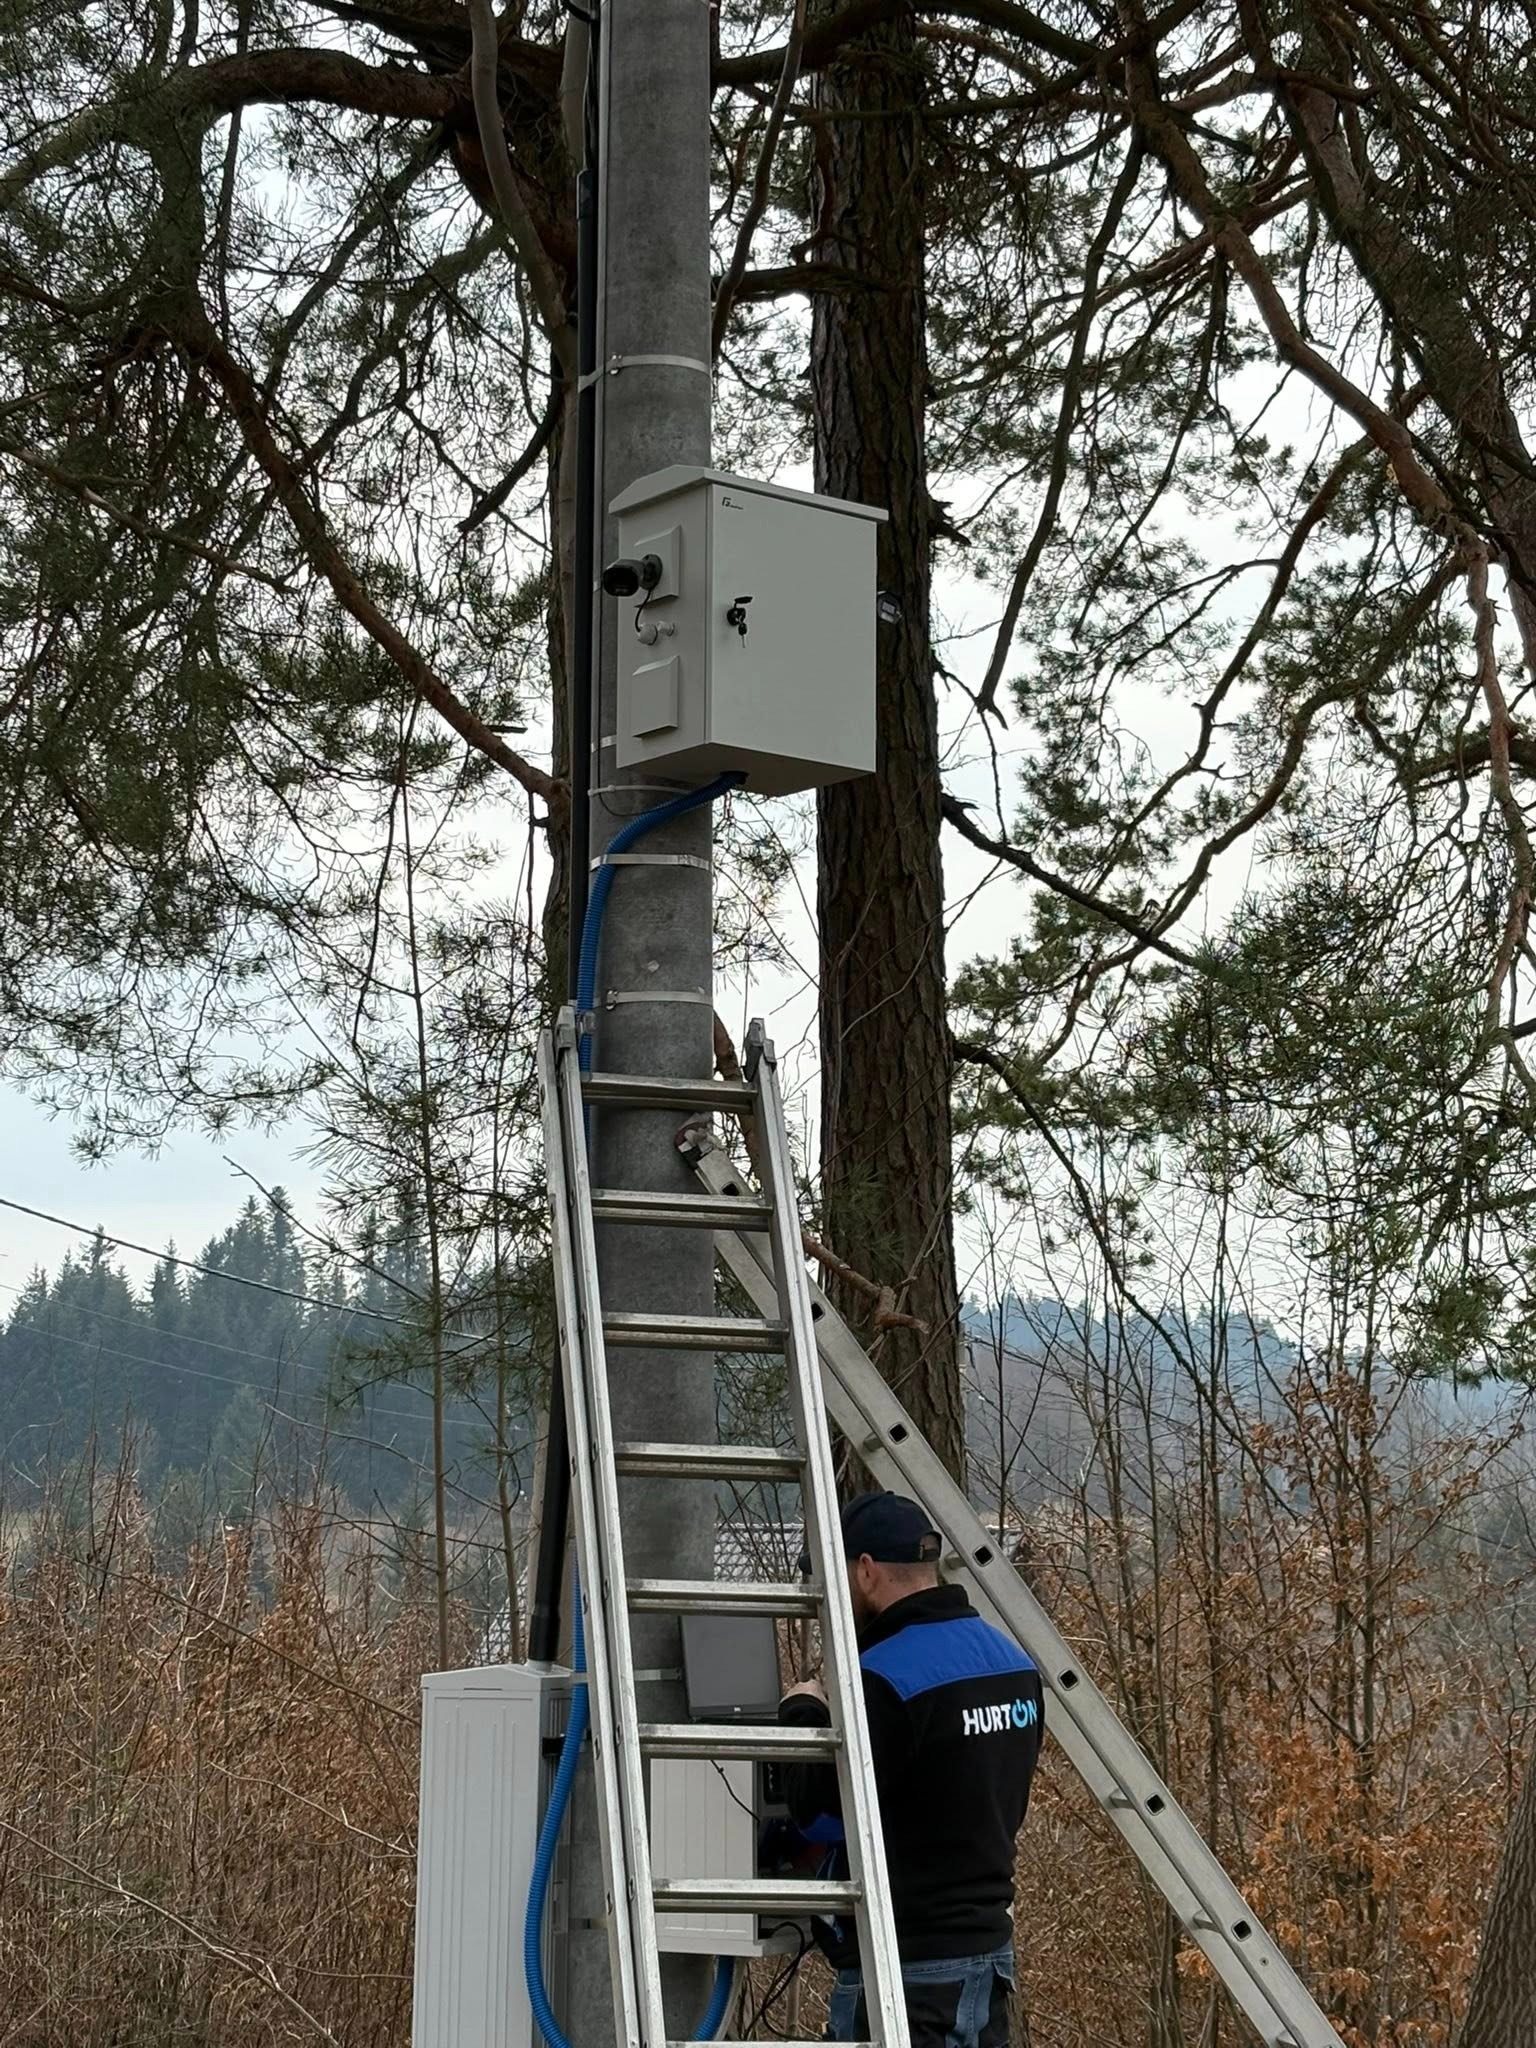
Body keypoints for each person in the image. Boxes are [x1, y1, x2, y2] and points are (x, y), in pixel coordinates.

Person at [778, 1491, 1043, 2048]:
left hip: (906, 1973)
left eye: (836, 1576)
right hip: (986, 1962)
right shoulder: (1013, 1664)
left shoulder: (880, 1679)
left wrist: (805, 1713)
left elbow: (822, 1816)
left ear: (867, 1570)